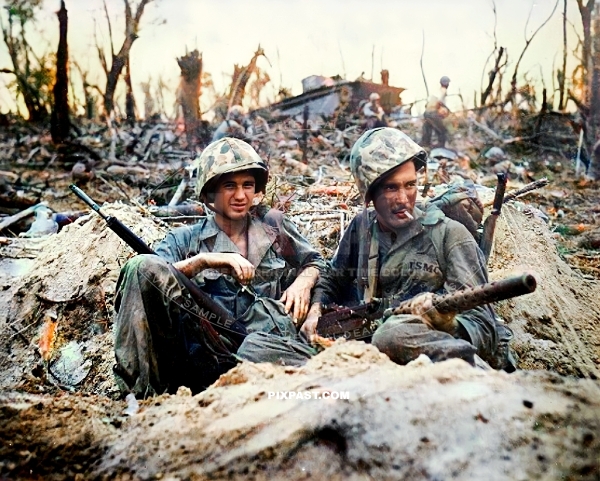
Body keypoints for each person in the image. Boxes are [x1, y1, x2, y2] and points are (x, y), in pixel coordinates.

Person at [241, 127, 507, 370]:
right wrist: (316, 309)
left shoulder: (450, 235)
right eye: (391, 188)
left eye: (410, 185)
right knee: (255, 347)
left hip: (418, 352)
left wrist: (445, 322)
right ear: (369, 193)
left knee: (393, 334)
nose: (403, 199)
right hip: (360, 350)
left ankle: (471, 377)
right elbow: (334, 278)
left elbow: (484, 327)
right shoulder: (362, 226)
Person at [113, 137, 324, 398]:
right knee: (140, 264)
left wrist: (303, 282)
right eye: (229, 186)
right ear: (210, 192)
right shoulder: (185, 240)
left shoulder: (273, 226)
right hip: (204, 357)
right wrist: (203, 261)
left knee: (263, 352)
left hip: (270, 347)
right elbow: (149, 274)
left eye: (248, 185)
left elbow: (317, 263)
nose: (240, 195)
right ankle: (138, 398)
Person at [422, 76, 451, 148]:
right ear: (447, 84)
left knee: (428, 131)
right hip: (432, 113)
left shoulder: (436, 91)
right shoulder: (443, 90)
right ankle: (441, 148)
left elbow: (427, 104)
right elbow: (439, 102)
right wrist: (439, 110)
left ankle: (426, 146)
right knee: (442, 131)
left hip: (426, 113)